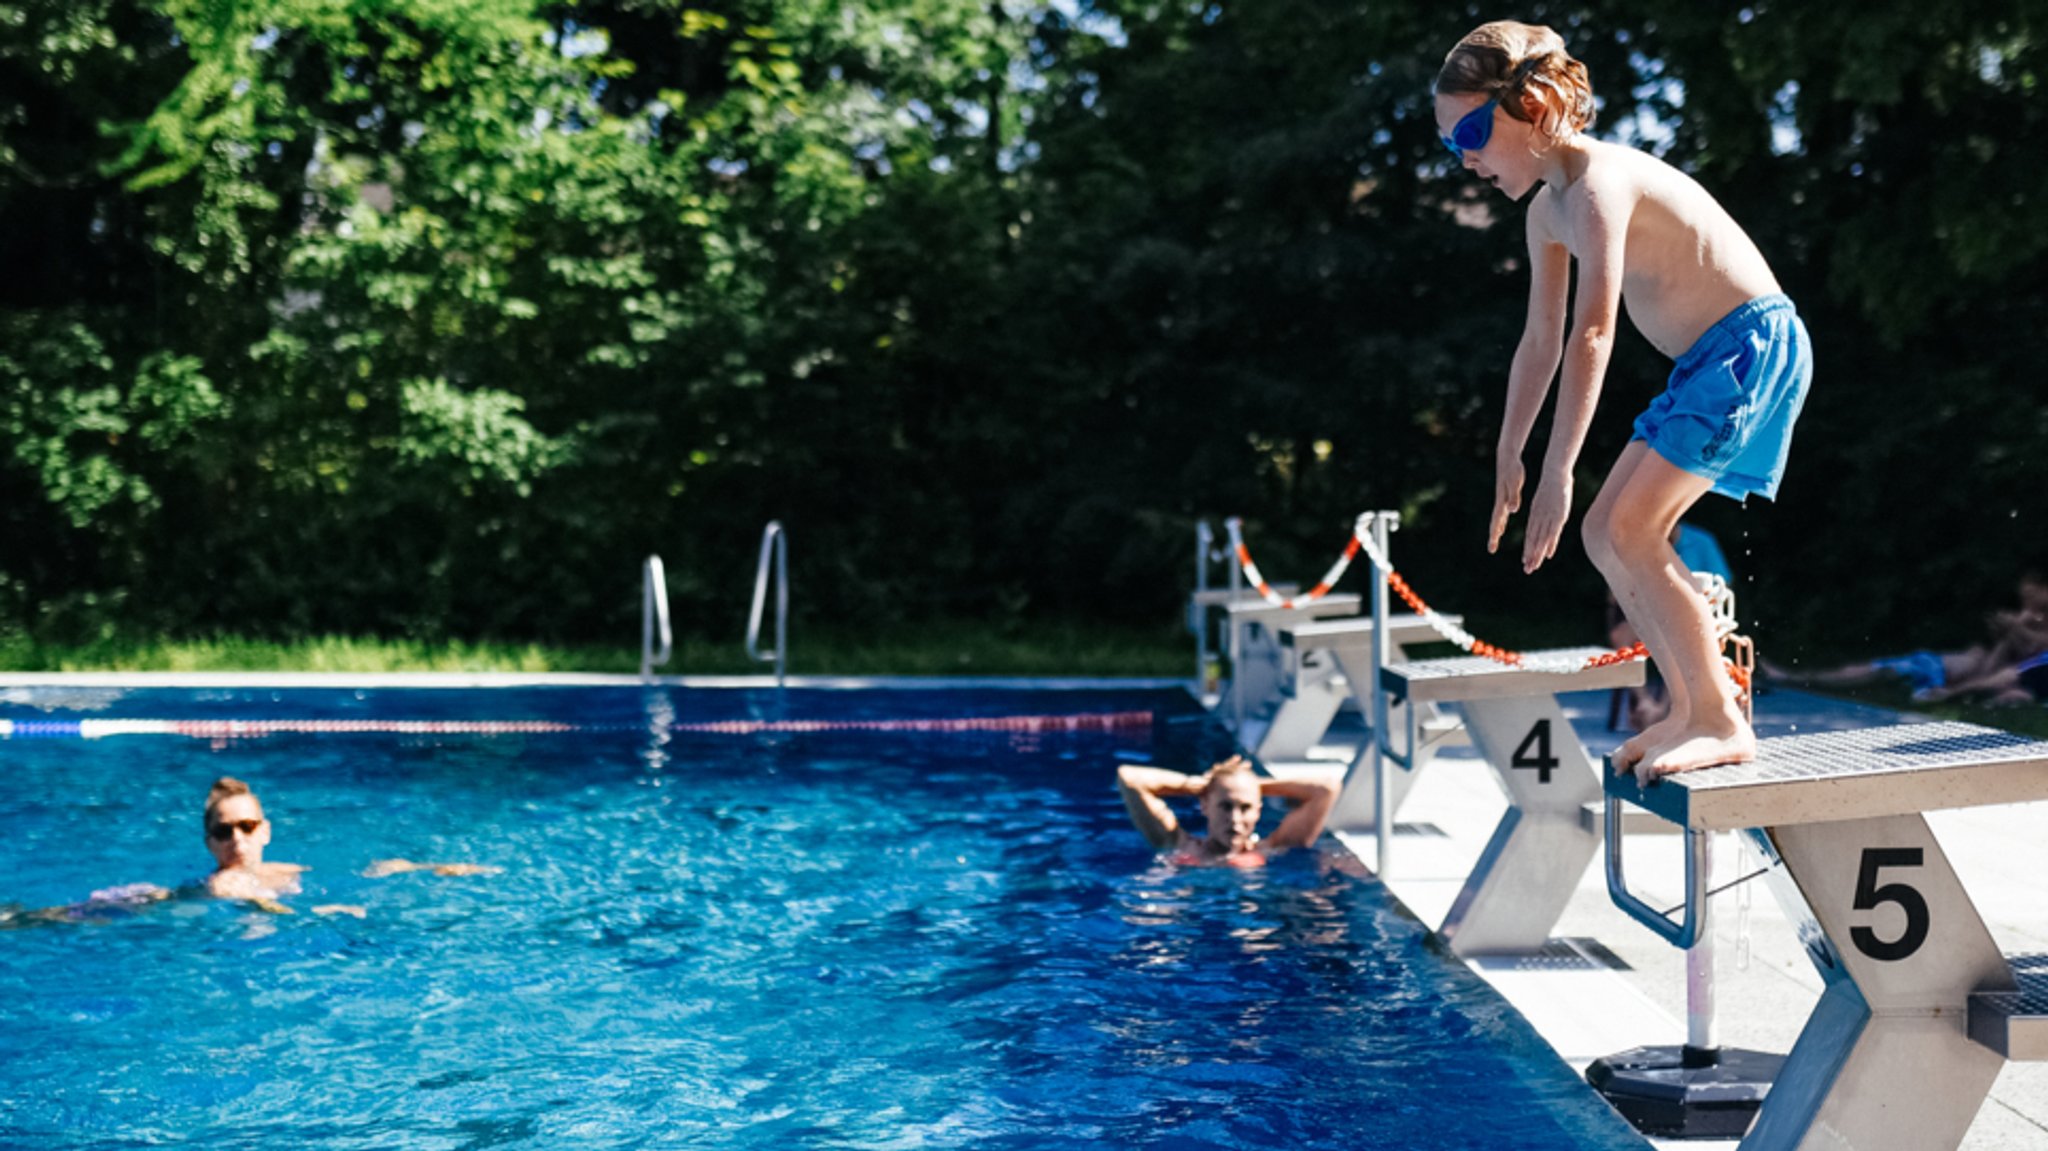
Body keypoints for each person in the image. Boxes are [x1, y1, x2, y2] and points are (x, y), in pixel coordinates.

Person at [1435, 21, 1812, 786]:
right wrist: (1511, 448)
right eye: (1451, 145)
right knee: (1606, 534)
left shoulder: (1602, 184)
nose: (1466, 157)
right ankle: (1689, 705)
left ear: (1535, 105)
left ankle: (1717, 714)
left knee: (1629, 526)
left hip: (1747, 347)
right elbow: (1540, 340)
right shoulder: (1547, 211)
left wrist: (1558, 468)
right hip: (1707, 363)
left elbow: (1593, 331)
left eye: (1472, 131)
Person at [1761, 573, 2048, 706]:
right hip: (1933, 667)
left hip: (1939, 677)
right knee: (1871, 669)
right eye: (2026, 605)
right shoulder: (2024, 638)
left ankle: (1794, 680)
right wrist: (2009, 637)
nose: (2029, 615)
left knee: (1882, 672)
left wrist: (2013, 634)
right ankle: (1796, 678)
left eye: (2039, 609)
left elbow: (1994, 673)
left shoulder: (2038, 650)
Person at [1115, 755, 1339, 866]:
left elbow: (1326, 788)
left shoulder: (1274, 848)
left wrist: (1251, 784)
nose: (1235, 819)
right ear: (1204, 806)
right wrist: (1198, 784)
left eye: (1246, 807)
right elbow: (1130, 777)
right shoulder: (1177, 843)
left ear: (1258, 811)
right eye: (1225, 806)